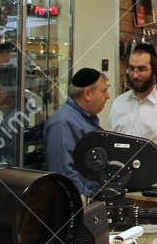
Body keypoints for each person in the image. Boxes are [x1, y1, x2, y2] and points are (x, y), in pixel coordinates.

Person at [108, 41, 157, 171]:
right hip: (122, 181)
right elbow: (112, 145)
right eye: (131, 68)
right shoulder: (118, 103)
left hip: (155, 183)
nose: (135, 75)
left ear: (155, 70)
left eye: (141, 69)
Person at [45, 67, 109, 197]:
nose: (108, 96)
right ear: (87, 94)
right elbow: (63, 174)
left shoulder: (87, 119)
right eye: (104, 91)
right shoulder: (63, 123)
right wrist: (87, 200)